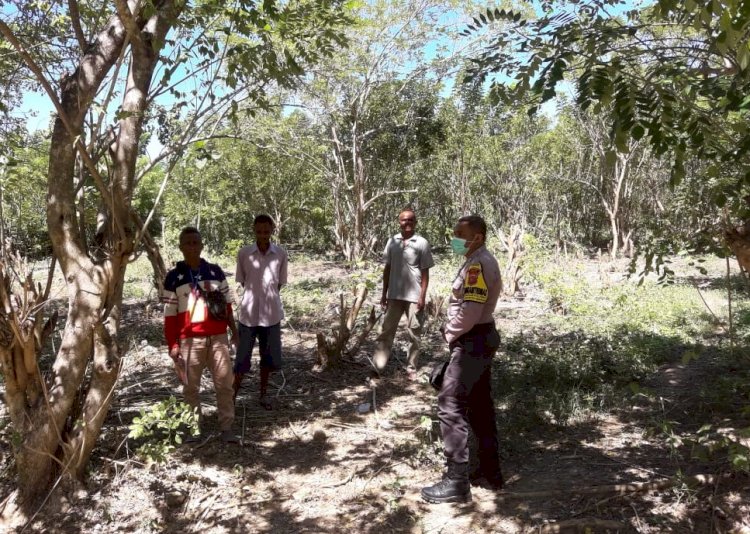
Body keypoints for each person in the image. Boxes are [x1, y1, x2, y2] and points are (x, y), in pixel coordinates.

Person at [421, 215, 504, 504]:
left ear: (478, 237)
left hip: (473, 340)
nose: (454, 237)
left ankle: (456, 482)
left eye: (460, 233)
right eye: (454, 231)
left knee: (450, 403)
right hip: (480, 338)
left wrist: (448, 332)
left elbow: (469, 310)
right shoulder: (476, 259)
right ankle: (490, 472)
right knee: (480, 405)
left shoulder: (478, 264)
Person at [162, 227, 239, 444]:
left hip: (218, 337)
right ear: (181, 247)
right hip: (189, 340)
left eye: (196, 242)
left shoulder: (215, 272)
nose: (192, 247)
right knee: (190, 387)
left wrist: (234, 332)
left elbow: (227, 306)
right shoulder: (173, 278)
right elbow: (169, 316)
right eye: (188, 243)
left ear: (202, 245)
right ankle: (193, 428)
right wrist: (172, 344)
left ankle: (227, 427)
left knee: (224, 383)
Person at [232, 214, 288, 410]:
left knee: (267, 358)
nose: (263, 235)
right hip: (248, 315)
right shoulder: (244, 254)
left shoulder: (280, 254)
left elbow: (279, 283)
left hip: (271, 315)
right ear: (254, 230)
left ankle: (263, 394)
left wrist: (268, 298)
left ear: (272, 230)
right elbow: (242, 281)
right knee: (242, 359)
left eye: (266, 231)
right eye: (259, 231)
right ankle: (232, 397)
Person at [372, 208, 434, 381]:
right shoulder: (392, 242)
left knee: (414, 333)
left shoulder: (422, 243)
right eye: (404, 220)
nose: (407, 223)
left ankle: (411, 367)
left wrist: (422, 296)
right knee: (385, 332)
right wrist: (384, 293)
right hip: (394, 295)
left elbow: (425, 273)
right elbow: (387, 268)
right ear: (399, 222)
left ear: (416, 222)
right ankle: (378, 366)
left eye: (411, 220)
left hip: (414, 296)